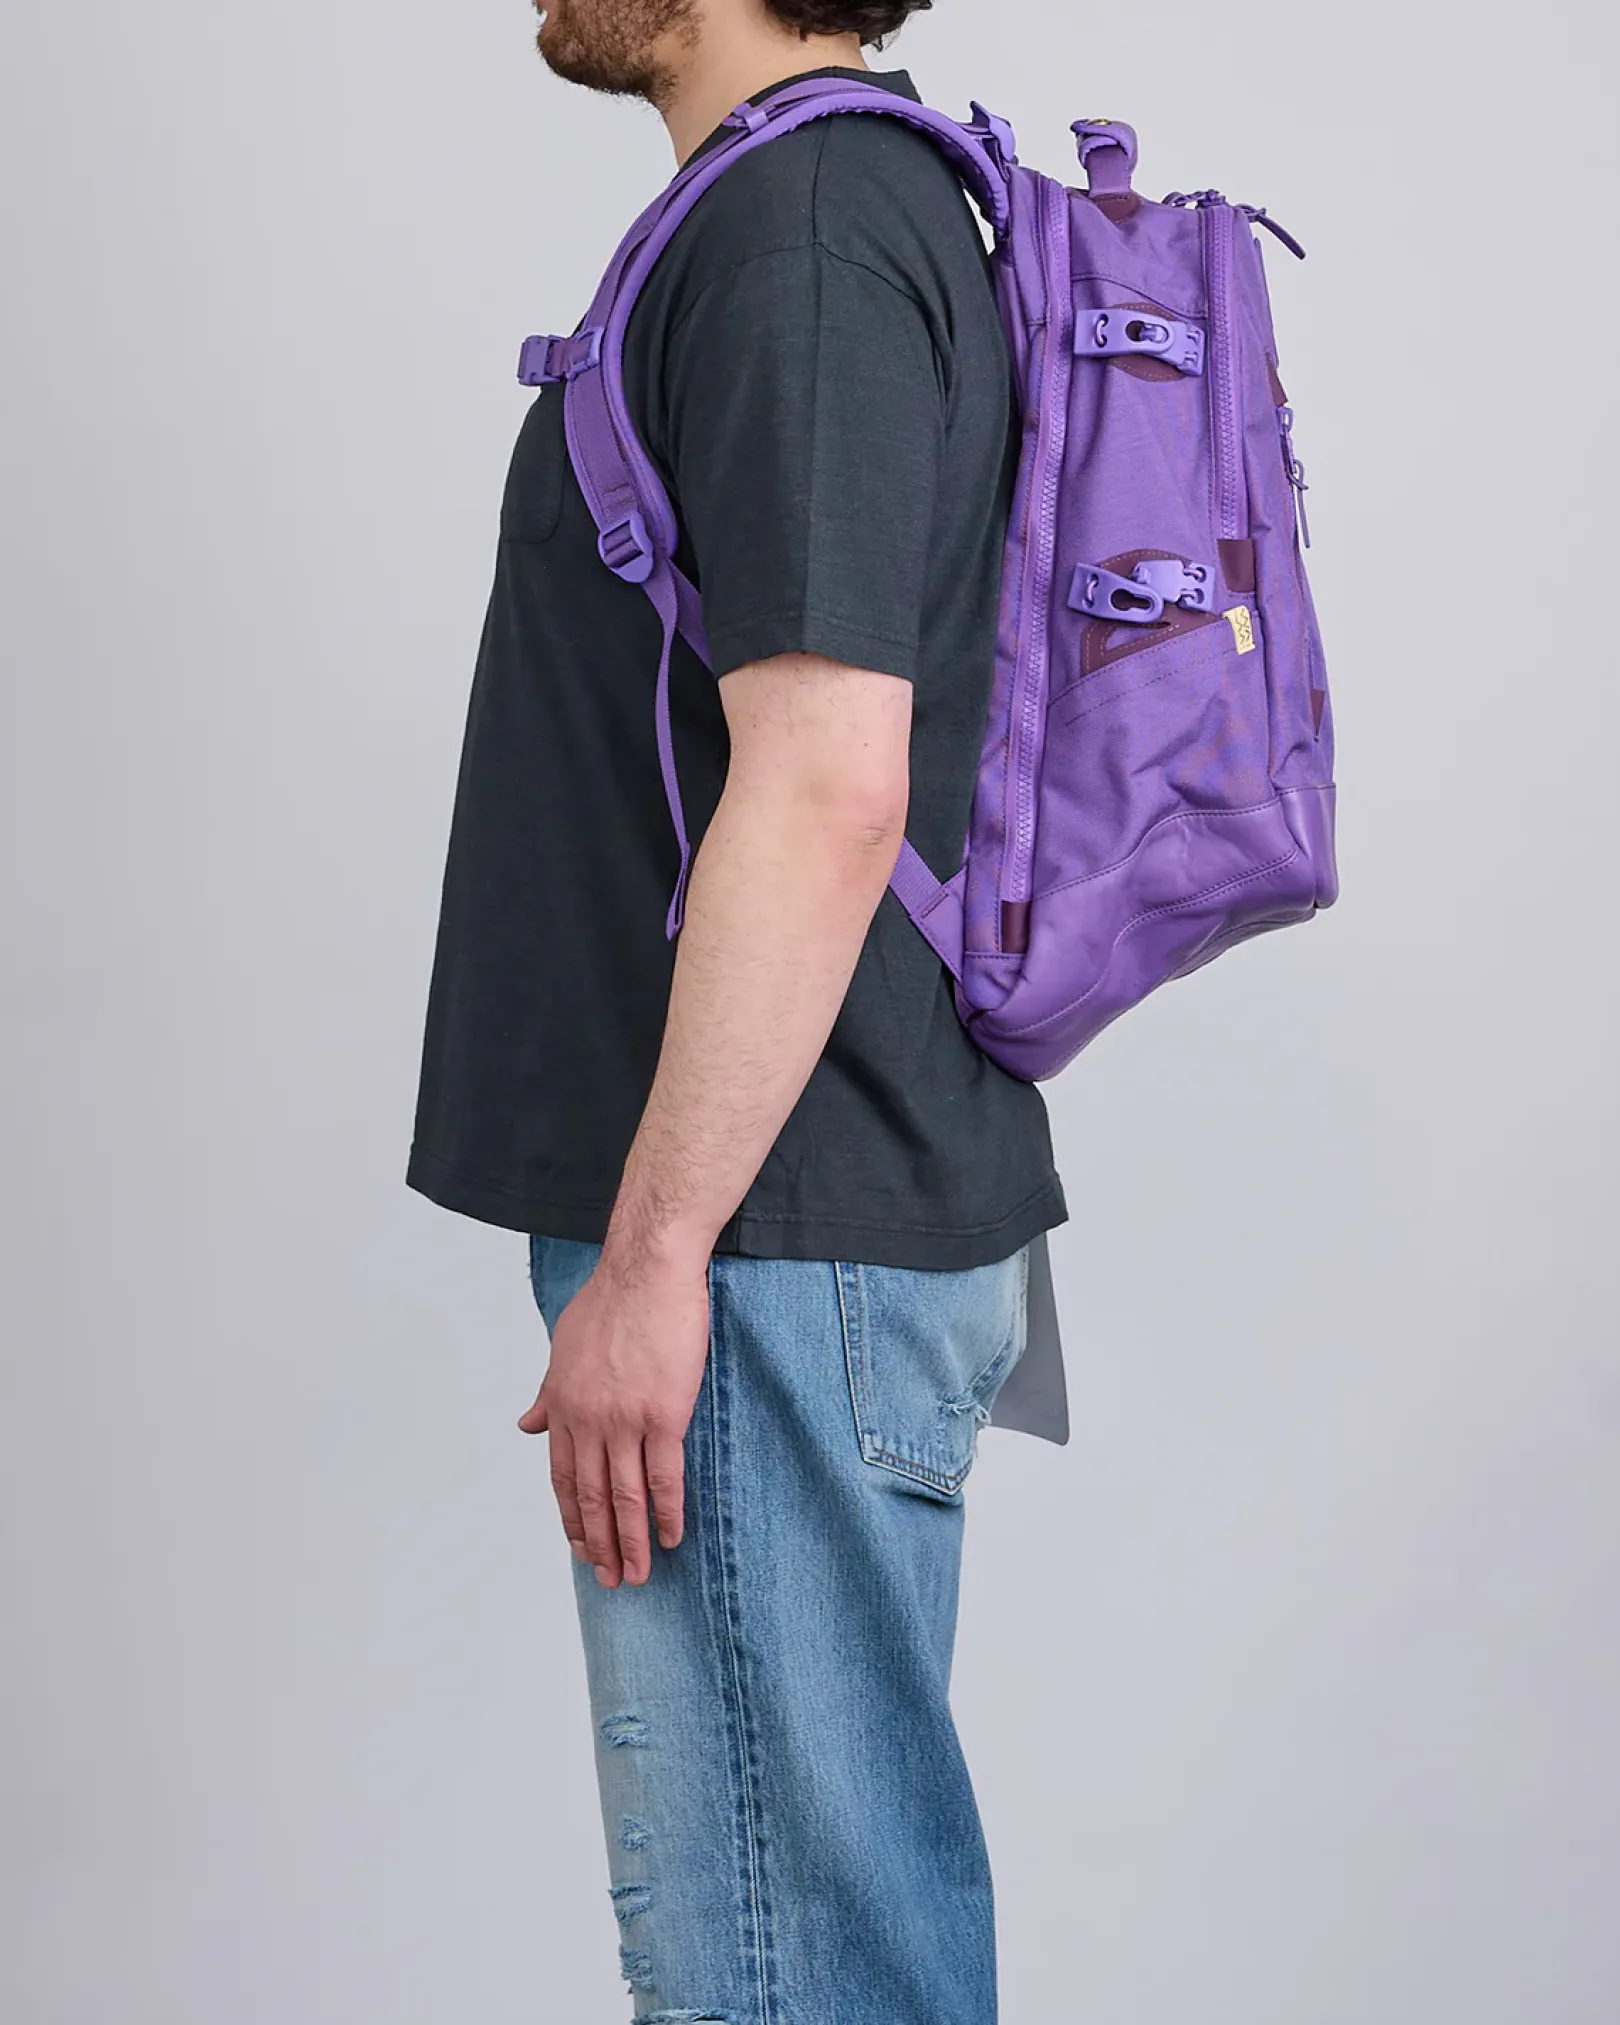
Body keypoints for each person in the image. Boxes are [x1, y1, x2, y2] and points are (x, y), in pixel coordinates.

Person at [408, 0, 1067, 2015]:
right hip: (786, 1227)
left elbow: (829, 779)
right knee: (799, 1955)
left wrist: (657, 1255)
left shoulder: (808, 235)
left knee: (785, 1974)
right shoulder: (800, 213)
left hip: (771, 1244)